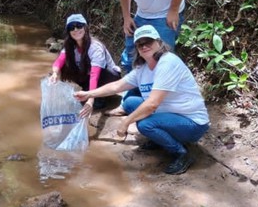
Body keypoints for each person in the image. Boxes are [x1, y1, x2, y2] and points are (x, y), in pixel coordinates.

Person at [74, 25, 209, 174]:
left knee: (145, 125)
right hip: (171, 114)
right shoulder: (142, 68)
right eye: (140, 44)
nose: (144, 46)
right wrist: (89, 94)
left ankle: (181, 154)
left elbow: (152, 105)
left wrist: (125, 123)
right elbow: (116, 86)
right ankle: (161, 139)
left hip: (192, 123)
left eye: (148, 42)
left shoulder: (167, 62)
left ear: (159, 42)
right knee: (130, 103)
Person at [49, 13, 121, 118]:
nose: (75, 30)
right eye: (71, 27)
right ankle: (90, 90)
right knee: (65, 67)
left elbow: (94, 75)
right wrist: (55, 73)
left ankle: (100, 97)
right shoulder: (70, 46)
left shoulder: (95, 47)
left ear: (85, 27)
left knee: (95, 101)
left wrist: (90, 100)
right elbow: (60, 60)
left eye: (79, 25)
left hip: (109, 77)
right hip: (90, 76)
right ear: (68, 32)